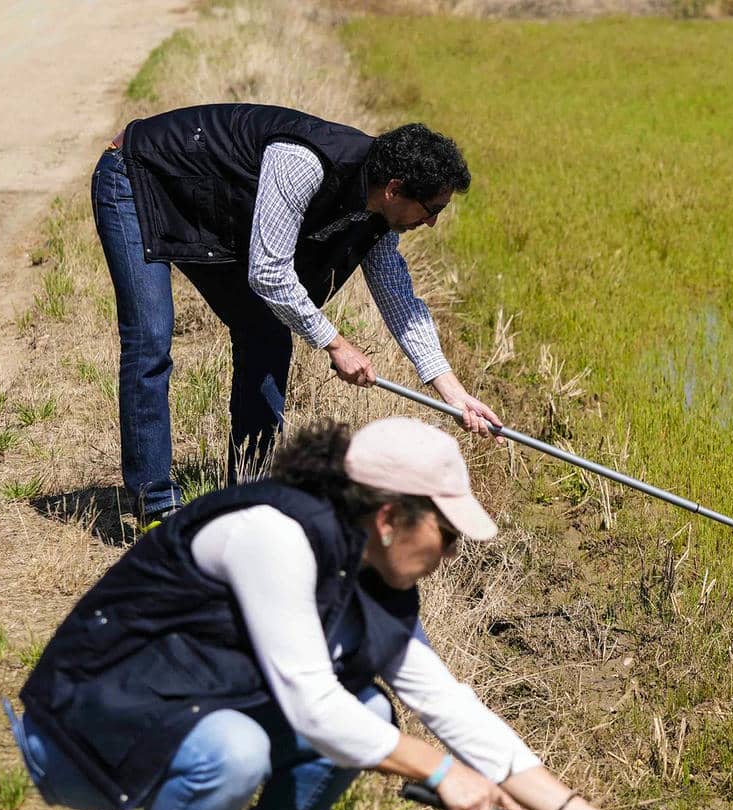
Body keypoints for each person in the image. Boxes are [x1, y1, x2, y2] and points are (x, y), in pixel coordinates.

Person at [8, 417, 652, 810]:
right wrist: (439, 771)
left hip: (173, 713)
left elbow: (446, 704)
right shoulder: (274, 535)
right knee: (240, 749)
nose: (451, 554)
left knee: (369, 713)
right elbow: (312, 704)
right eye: (447, 533)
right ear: (389, 518)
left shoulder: (369, 573)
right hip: (83, 736)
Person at [93, 102, 502, 530]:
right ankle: (156, 503)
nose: (432, 222)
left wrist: (453, 393)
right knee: (151, 338)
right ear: (395, 189)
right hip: (138, 178)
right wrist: (336, 344)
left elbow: (398, 298)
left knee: (266, 332)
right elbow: (269, 273)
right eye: (432, 208)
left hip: (206, 206)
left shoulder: (377, 214)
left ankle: (251, 494)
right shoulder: (304, 161)